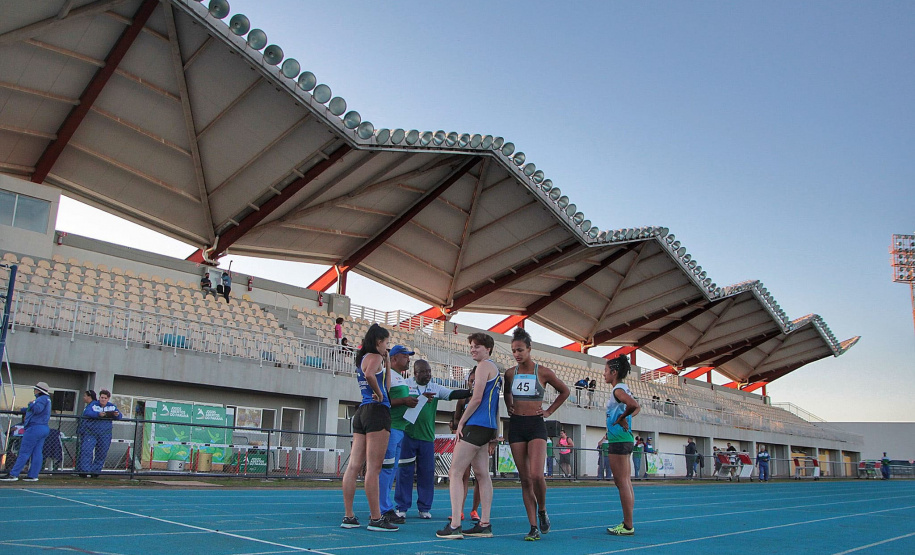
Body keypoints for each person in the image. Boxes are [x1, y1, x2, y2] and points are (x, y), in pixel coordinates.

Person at [502, 327, 570, 541]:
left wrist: (549, 411)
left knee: (536, 475)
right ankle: (533, 527)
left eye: (520, 350)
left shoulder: (543, 372)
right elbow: (506, 392)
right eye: (513, 350)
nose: (517, 354)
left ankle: (542, 509)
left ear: (529, 349)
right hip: (517, 425)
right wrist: (509, 405)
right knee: (524, 480)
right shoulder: (510, 373)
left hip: (536, 425)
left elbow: (565, 391)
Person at [437, 332, 501, 540]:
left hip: (476, 425)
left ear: (488, 349)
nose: (473, 349)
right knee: (482, 474)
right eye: (472, 346)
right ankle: (485, 523)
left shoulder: (484, 366)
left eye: (477, 346)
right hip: (487, 427)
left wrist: (461, 421)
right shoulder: (494, 369)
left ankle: (455, 524)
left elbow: (476, 398)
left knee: (455, 472)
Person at [394, 359, 471, 519]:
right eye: (423, 371)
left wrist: (471, 392)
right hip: (408, 435)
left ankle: (424, 507)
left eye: (429, 371)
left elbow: (452, 394)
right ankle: (402, 507)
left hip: (427, 438)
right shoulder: (406, 385)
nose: (428, 374)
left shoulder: (434, 387)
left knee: (427, 473)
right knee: (405, 473)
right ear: (415, 373)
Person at [341, 324, 398, 532]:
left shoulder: (365, 357)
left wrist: (389, 364)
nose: (387, 347)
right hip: (377, 412)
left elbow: (385, 385)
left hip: (362, 412)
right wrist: (380, 395)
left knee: (354, 466)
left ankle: (349, 516)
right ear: (378, 342)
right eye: (386, 342)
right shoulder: (374, 357)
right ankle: (376, 518)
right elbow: (371, 376)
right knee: (374, 468)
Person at [378, 345, 418, 524]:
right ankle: (383, 508)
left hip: (399, 428)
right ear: (393, 358)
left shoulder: (400, 378)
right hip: (390, 427)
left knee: (392, 469)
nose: (408, 359)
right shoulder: (387, 374)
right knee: (386, 469)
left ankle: (385, 505)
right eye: (405, 356)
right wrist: (404, 400)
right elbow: (380, 399)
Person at [603, 355, 640, 536]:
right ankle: (628, 523)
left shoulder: (618, 390)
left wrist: (622, 418)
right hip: (624, 438)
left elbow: (633, 405)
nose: (604, 374)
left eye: (606, 370)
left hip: (619, 440)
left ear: (614, 372)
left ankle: (627, 525)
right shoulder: (624, 388)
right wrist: (625, 417)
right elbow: (636, 407)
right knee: (625, 482)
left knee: (622, 482)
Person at [1, 382, 52, 482]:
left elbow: (37, 409)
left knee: (24, 452)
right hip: (43, 428)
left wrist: (30, 404)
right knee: (37, 452)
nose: (34, 391)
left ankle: (13, 474)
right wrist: (24, 409)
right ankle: (33, 475)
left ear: (38, 390)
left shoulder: (40, 399)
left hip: (34, 428)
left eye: (35, 389)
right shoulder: (47, 399)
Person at [450, 367, 482, 524]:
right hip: (465, 438)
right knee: (462, 474)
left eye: (476, 381)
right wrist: (456, 428)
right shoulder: (463, 399)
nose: (473, 384)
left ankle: (475, 509)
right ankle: (459, 510)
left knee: (480, 475)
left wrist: (493, 441)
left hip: (480, 438)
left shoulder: (484, 397)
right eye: (471, 381)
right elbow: (456, 418)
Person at [78, 388, 123, 477]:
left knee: (101, 453)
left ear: (108, 398)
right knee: (86, 451)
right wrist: (98, 415)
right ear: (99, 397)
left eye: (105, 398)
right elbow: (87, 413)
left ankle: (95, 472)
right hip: (91, 433)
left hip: (105, 434)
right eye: (101, 397)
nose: (103, 399)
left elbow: (120, 415)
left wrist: (117, 415)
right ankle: (84, 471)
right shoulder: (93, 405)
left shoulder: (112, 406)